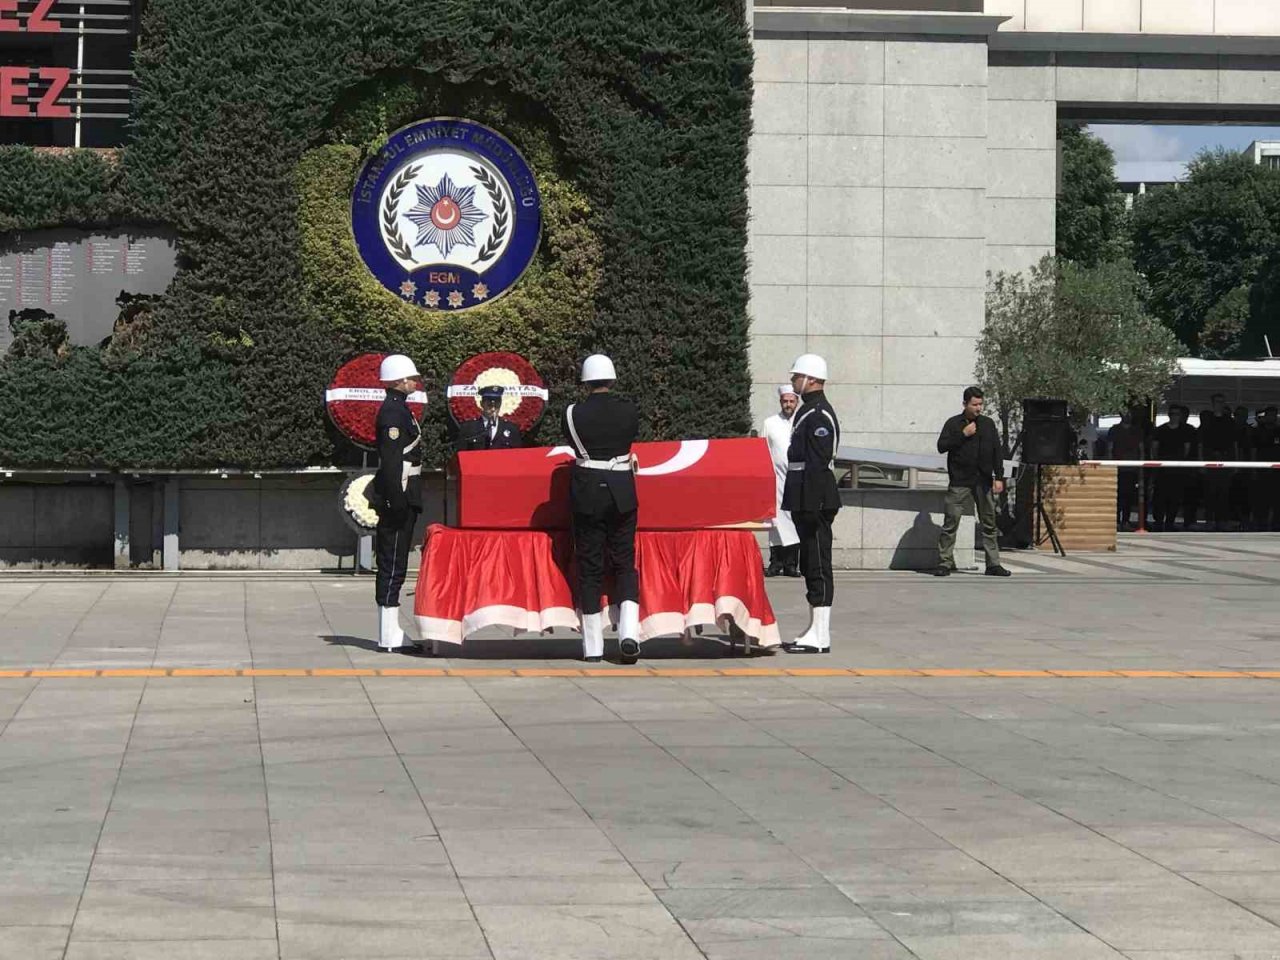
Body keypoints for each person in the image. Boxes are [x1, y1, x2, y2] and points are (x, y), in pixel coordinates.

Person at [564, 354, 641, 663]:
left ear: (585, 381)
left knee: (590, 567)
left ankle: (593, 646)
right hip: (622, 489)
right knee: (624, 562)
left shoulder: (572, 413)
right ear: (611, 379)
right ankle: (629, 633)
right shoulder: (629, 411)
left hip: (588, 492)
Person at [781, 354, 841, 654]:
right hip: (806, 499)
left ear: (812, 379)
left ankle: (821, 634)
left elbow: (817, 463)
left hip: (814, 499)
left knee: (818, 563)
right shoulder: (809, 411)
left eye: (797, 377)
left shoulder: (818, 415)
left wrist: (811, 504)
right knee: (809, 563)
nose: (793, 382)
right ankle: (813, 628)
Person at [368, 354, 425, 651]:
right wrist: (395, 499)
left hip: (404, 489)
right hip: (399, 491)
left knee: (397, 560)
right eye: (411, 377)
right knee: (392, 562)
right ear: (400, 381)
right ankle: (388, 633)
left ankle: (390, 630)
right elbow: (391, 461)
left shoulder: (400, 409)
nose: (415, 381)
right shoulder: (392, 413)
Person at [934, 387, 1010, 578]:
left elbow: (996, 452)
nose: (978, 408)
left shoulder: (987, 424)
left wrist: (999, 477)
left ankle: (993, 564)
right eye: (974, 404)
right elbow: (941, 447)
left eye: (980, 404)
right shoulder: (953, 424)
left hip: (983, 481)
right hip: (960, 481)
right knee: (951, 521)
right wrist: (963, 434)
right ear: (965, 404)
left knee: (989, 523)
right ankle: (945, 562)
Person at [762, 384, 801, 578]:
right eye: (785, 401)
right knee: (775, 521)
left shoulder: (802, 421)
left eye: (791, 401)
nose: (788, 404)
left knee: (794, 521)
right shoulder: (770, 423)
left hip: (797, 479)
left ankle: (792, 564)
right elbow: (763, 450)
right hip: (775, 479)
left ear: (797, 402)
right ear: (780, 402)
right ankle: (775, 563)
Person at [1152, 405, 1197, 531]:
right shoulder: (1160, 430)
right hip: (1162, 469)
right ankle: (1158, 522)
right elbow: (1154, 447)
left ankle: (1170, 522)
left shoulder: (1186, 430)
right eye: (1172, 413)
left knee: (1175, 497)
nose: (1174, 416)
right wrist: (1156, 462)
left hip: (1178, 469)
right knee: (1160, 496)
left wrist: (1181, 463)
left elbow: (1187, 449)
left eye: (1177, 414)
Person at [1199, 394, 1236, 530]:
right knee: (1210, 492)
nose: (1219, 404)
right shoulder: (1207, 420)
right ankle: (1209, 520)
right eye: (1217, 402)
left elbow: (1234, 443)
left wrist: (1235, 463)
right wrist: (1201, 462)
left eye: (1221, 402)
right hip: (1210, 459)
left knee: (1224, 492)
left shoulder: (1229, 421)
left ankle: (1222, 521)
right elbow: (1201, 443)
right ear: (1212, 403)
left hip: (1226, 460)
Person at [1107, 410, 1144, 530]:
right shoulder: (1114, 430)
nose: (1127, 416)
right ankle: (1116, 520)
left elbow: (1141, 450)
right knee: (1117, 495)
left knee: (1128, 496)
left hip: (1132, 468)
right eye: (1125, 413)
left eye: (1130, 413)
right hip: (1118, 467)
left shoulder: (1137, 431)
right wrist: (1110, 465)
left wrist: (1141, 467)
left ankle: (1126, 520)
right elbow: (1110, 449)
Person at [455, 385, 522, 450]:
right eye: (489, 405)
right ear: (481, 404)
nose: (493, 409)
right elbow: (461, 455)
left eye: (496, 405)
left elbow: (517, 456)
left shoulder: (511, 429)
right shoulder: (469, 428)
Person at [1251, 406, 1280, 531]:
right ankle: (1260, 524)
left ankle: (1276, 524)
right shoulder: (1258, 431)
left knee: (1277, 499)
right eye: (1270, 415)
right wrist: (1253, 467)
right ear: (1266, 416)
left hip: (1277, 471)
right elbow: (1253, 450)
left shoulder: (1279, 431)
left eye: (1274, 415)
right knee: (1261, 498)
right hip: (1261, 469)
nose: (1272, 417)